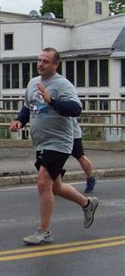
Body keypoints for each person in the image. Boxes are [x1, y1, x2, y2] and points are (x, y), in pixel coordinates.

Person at [9, 47, 99, 245]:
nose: (40, 64)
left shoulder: (62, 85)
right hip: (41, 141)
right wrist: (19, 121)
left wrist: (51, 100)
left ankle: (44, 231)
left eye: (45, 61)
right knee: (55, 187)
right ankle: (87, 203)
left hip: (59, 141)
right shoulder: (33, 83)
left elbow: (76, 109)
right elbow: (28, 106)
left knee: (43, 183)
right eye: (39, 60)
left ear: (55, 64)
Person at [71, 118, 97, 193]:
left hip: (72, 135)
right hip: (56, 136)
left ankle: (90, 178)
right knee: (57, 160)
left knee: (80, 156)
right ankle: (55, 182)